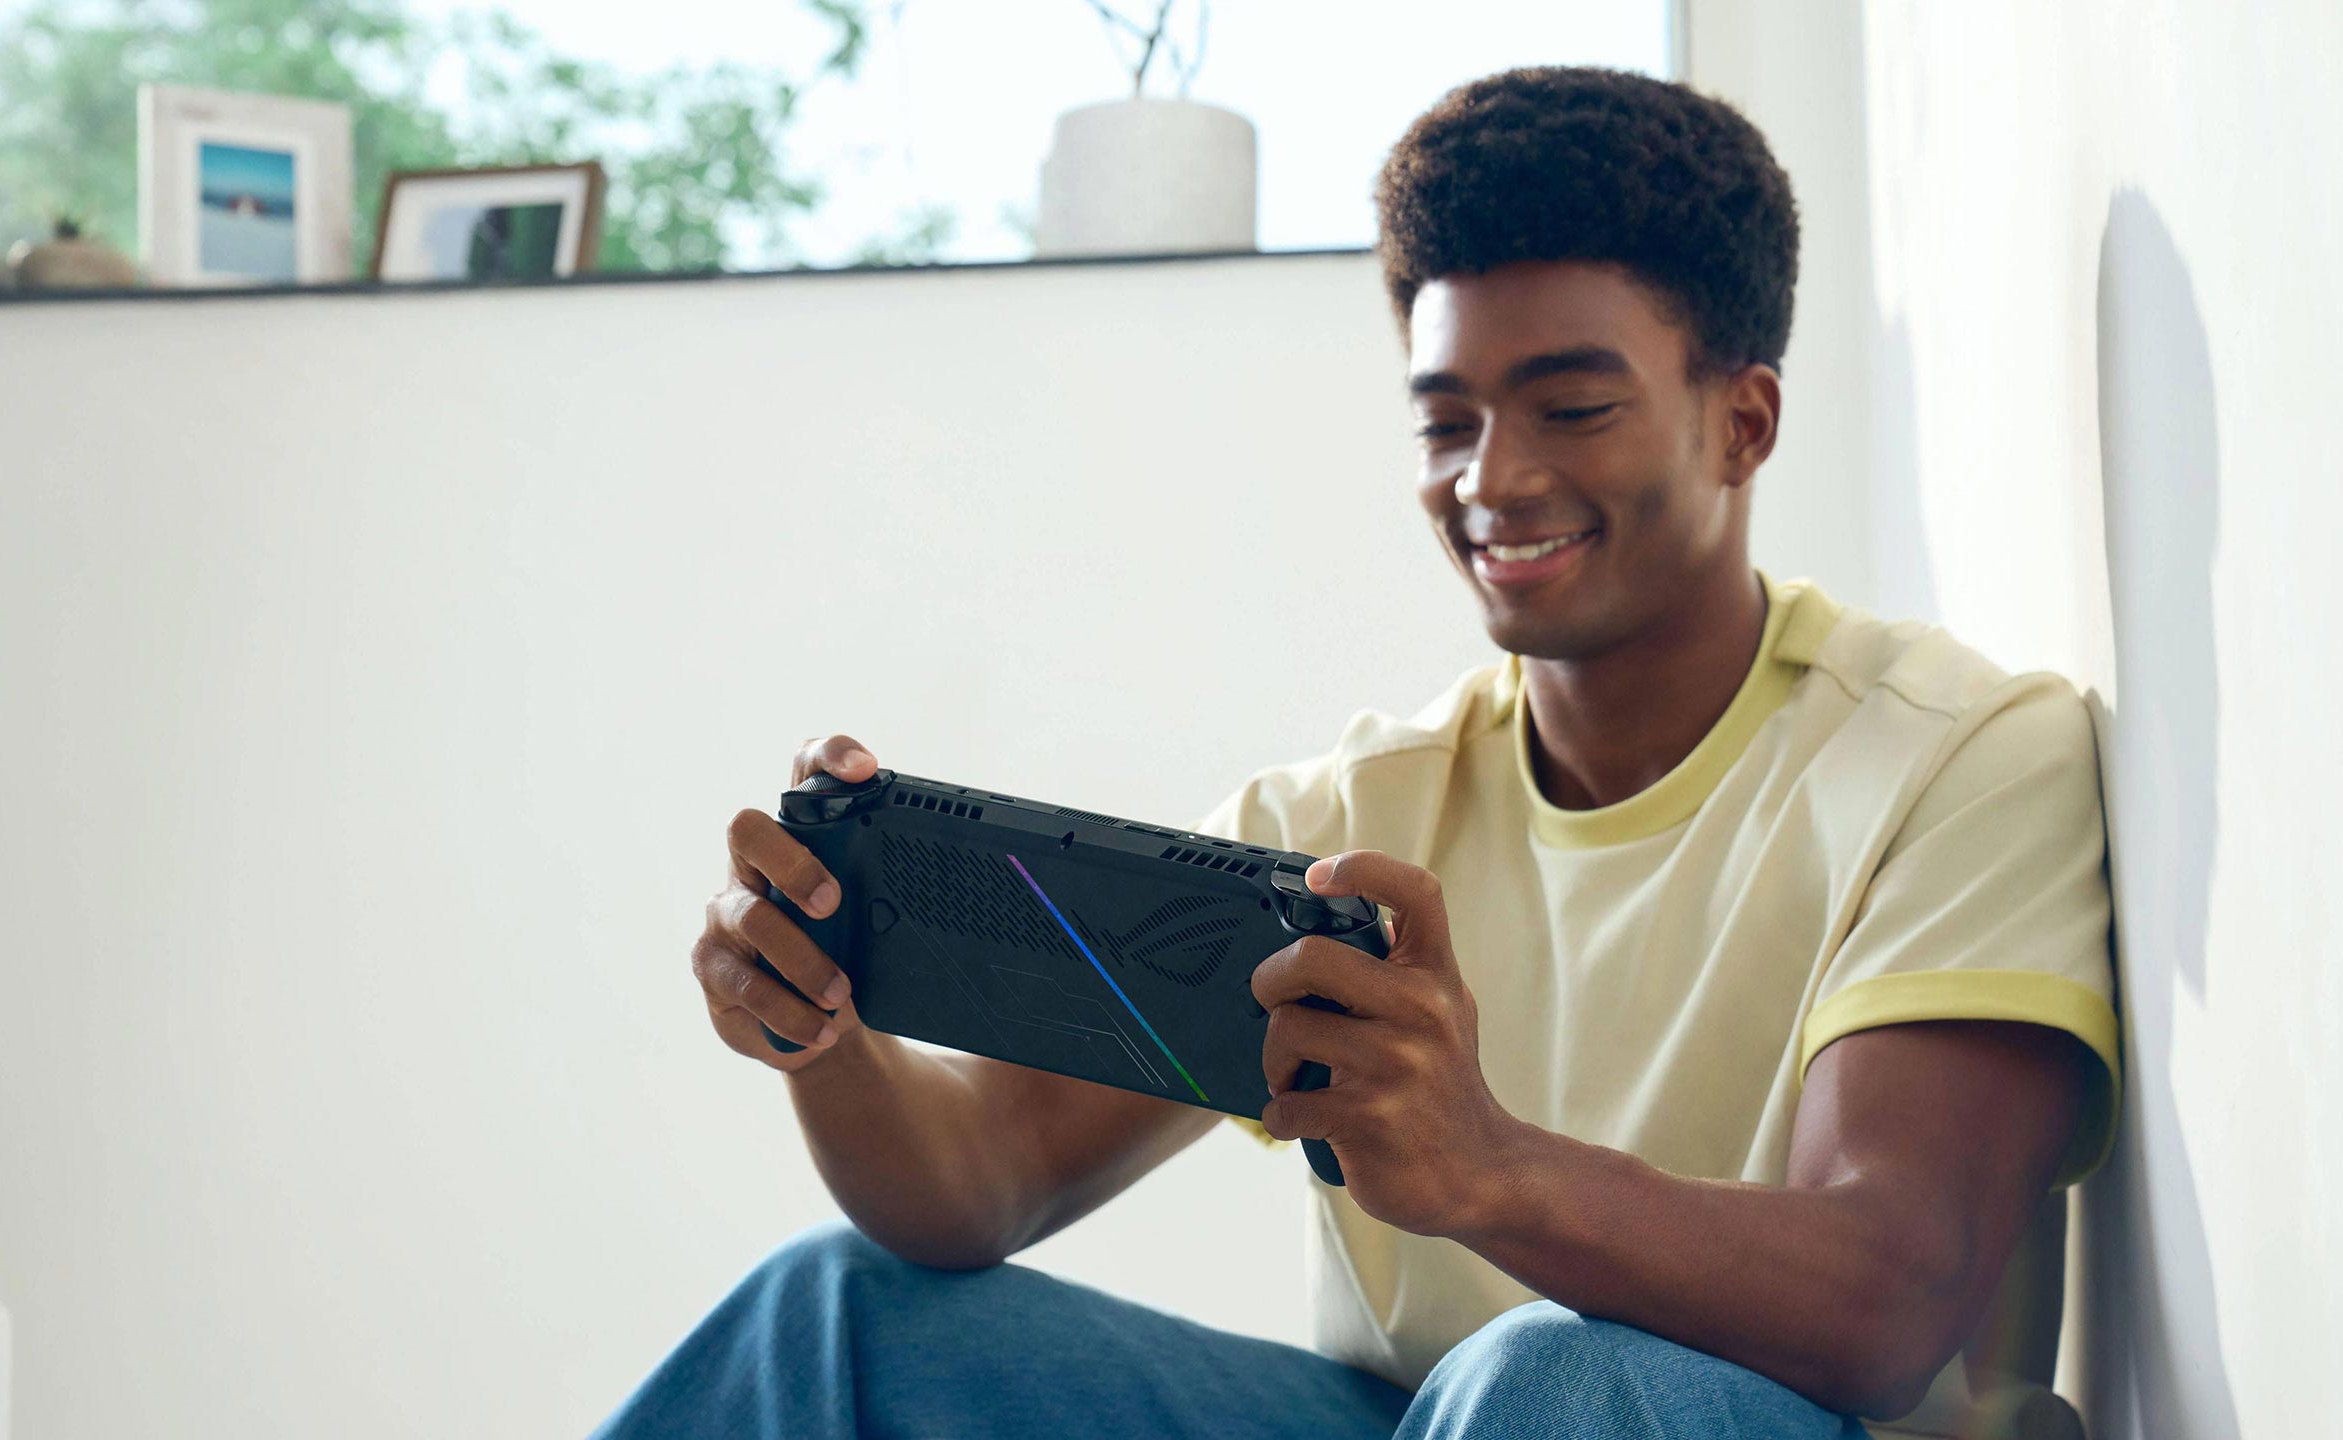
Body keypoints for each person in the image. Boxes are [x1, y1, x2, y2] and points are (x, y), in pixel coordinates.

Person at [591, 65, 2118, 1440]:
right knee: (835, 1318)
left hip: (1744, 1428)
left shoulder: (1961, 759)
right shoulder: (1345, 825)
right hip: (1438, 1425)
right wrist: (828, 1026)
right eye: (1444, 422)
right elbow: (980, 1183)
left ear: (1745, 421)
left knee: (1547, 1381)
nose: (1494, 480)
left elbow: (1889, 1301)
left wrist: (1488, 1168)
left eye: (1571, 407)